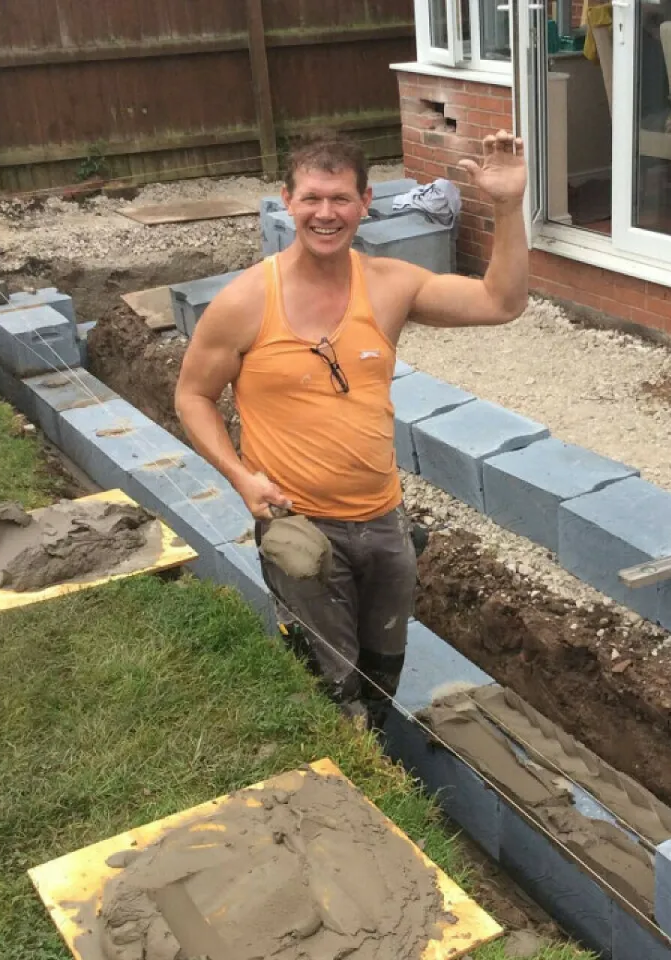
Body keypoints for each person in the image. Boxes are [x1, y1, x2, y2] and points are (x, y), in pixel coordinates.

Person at [174, 130, 529, 728]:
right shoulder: (245, 302)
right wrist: (240, 476)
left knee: (383, 664)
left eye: (340, 199)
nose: (326, 213)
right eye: (312, 198)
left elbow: (502, 302)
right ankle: (344, 767)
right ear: (287, 200)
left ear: (366, 202)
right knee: (331, 681)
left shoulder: (391, 285)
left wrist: (508, 206)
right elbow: (192, 394)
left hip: (383, 520)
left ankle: (378, 754)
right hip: (299, 523)